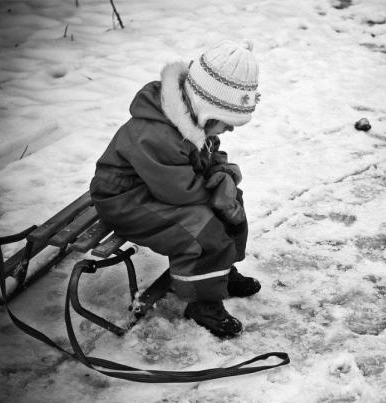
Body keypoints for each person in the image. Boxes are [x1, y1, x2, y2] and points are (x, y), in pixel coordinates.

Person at [89, 40, 262, 338]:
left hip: (159, 189)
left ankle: (220, 273)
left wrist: (223, 175)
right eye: (228, 123)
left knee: (233, 201)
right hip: (126, 200)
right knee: (202, 227)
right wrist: (217, 191)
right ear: (208, 109)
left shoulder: (192, 120)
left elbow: (207, 155)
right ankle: (202, 301)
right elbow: (179, 192)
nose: (230, 130)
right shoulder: (156, 135)